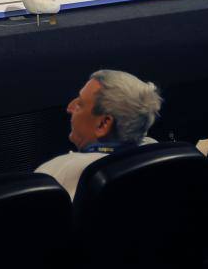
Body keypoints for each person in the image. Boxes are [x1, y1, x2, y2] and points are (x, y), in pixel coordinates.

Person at [35, 70, 161, 199]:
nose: (69, 107)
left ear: (103, 124)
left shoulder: (56, 172)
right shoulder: (157, 155)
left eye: (80, 104)